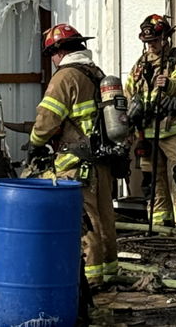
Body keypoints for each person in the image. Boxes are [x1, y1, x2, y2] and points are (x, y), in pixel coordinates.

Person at [27, 23, 118, 289]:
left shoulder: (65, 77)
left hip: (76, 162)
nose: (52, 61)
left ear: (58, 51)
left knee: (84, 219)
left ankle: (89, 280)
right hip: (101, 160)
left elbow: (47, 118)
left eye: (51, 55)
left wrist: (34, 143)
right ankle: (108, 272)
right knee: (104, 216)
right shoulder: (95, 72)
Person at [125, 14, 176, 229]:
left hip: (174, 131)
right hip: (147, 133)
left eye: (155, 41)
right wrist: (129, 119)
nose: (151, 46)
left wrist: (168, 84)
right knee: (152, 182)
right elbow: (129, 92)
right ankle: (159, 224)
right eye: (148, 42)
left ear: (165, 39)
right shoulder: (139, 65)